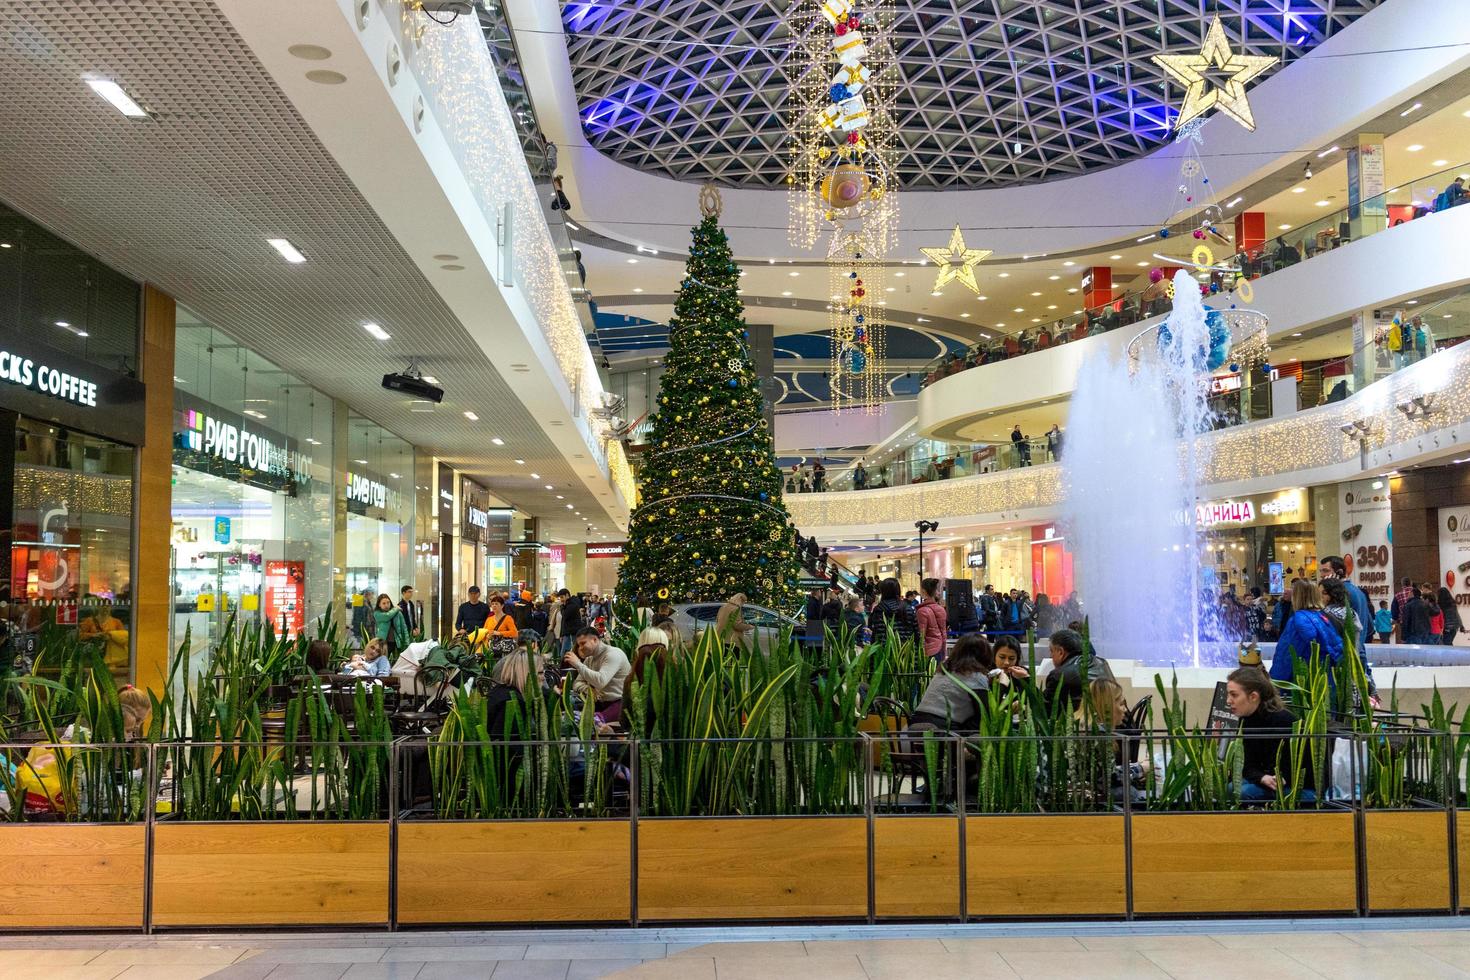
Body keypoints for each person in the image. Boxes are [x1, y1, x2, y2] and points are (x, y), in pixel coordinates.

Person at [1226, 667, 1313, 803]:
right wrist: (1261, 777)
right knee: (1231, 788)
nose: (1228, 701)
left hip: (1298, 787)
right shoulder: (1247, 719)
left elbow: (1300, 768)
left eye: (1234, 695)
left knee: (1245, 792)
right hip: (1267, 780)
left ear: (1253, 697)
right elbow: (1247, 764)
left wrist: (1274, 778)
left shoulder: (1283, 721)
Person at [908, 635, 991, 732]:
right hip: (945, 730)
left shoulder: (944, 670)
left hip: (916, 723)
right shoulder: (977, 676)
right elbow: (986, 714)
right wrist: (1002, 686)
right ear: (985, 655)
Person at [1269, 579, 1343, 683]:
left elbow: (1286, 655)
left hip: (1302, 684)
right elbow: (1337, 647)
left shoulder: (1297, 620)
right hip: (1326, 679)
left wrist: (1275, 682)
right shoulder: (1324, 617)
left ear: (1297, 597)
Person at [563, 626, 631, 722]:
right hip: (599, 703)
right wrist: (589, 690)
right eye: (579, 645)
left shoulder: (613, 654)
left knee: (592, 722)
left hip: (619, 703)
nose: (580, 648)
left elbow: (600, 681)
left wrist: (578, 664)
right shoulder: (589, 659)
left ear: (594, 640)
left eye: (583, 643)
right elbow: (576, 683)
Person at [1044, 629, 1113, 708]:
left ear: (1060, 652)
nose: (1050, 655)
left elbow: (1043, 709)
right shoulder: (1102, 663)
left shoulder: (1058, 676)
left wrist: (1027, 679)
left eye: (1051, 651)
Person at [1320, 556, 1371, 655]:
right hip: (1358, 650)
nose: (1322, 575)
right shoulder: (1359, 592)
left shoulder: (1341, 593)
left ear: (1339, 572)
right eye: (1321, 571)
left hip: (1346, 653)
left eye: (1325, 571)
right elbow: (1369, 626)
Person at [869, 577, 918, 647]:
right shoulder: (907, 607)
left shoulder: (879, 609)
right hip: (907, 651)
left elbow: (878, 634)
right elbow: (916, 631)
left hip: (886, 653)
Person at [79, 605, 129, 669]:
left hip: (111, 657)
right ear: (97, 607)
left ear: (111, 607)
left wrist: (111, 635)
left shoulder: (116, 622)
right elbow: (80, 636)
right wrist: (93, 635)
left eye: (108, 606)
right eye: (102, 605)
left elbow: (124, 637)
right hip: (93, 655)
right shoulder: (89, 621)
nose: (105, 608)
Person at [916, 578, 948, 662]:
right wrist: (944, 651)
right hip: (940, 648)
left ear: (923, 591)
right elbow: (943, 633)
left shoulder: (921, 611)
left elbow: (921, 635)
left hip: (928, 651)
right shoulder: (941, 609)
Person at [555, 588, 584, 654]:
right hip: (569, 632)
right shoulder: (568, 604)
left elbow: (565, 615)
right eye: (560, 598)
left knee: (566, 651)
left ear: (567, 595)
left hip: (572, 632)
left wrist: (562, 607)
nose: (561, 600)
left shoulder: (572, 605)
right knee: (568, 650)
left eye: (562, 597)